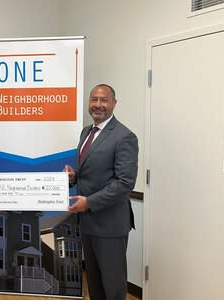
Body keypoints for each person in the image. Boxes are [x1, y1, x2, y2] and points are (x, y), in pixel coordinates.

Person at [64, 84, 138, 300]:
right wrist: (74, 176)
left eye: (104, 100)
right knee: (94, 283)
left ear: (114, 103)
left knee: (113, 285)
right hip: (87, 223)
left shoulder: (125, 136)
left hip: (110, 225)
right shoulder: (86, 131)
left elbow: (125, 183)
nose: (98, 105)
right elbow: (92, 172)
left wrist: (89, 202)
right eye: (94, 99)